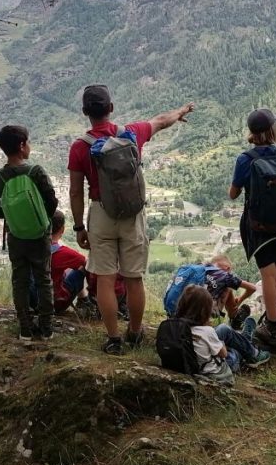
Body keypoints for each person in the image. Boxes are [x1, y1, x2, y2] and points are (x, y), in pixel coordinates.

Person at [68, 84, 195, 355]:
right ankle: (135, 333)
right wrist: (181, 111)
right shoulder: (131, 133)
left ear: (85, 112)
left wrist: (79, 226)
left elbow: (76, 190)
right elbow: (161, 121)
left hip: (101, 212)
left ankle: (113, 338)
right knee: (133, 278)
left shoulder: (80, 147)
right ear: (111, 109)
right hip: (133, 213)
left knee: (104, 278)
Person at [228, 108, 276, 347]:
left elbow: (233, 193)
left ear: (251, 133)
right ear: (273, 129)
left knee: (267, 274)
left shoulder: (245, 159)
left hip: (259, 226)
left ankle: (272, 325)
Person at [0, 125, 59, 342]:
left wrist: (14, 216)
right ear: (21, 146)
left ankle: (25, 329)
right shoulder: (35, 171)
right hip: (39, 235)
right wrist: (39, 219)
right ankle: (46, 329)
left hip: (15, 235)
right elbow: (52, 201)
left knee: (20, 280)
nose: (29, 146)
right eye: (28, 142)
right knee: (43, 279)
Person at [175, 285, 271, 385]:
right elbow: (223, 354)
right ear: (204, 312)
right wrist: (219, 341)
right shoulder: (206, 331)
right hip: (215, 370)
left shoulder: (174, 326)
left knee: (223, 329)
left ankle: (244, 339)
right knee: (234, 351)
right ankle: (251, 349)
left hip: (192, 362)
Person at [47, 210, 88, 313]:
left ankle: (84, 300)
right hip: (55, 304)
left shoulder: (33, 248)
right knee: (80, 269)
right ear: (63, 229)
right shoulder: (64, 253)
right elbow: (87, 263)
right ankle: (85, 300)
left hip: (33, 302)